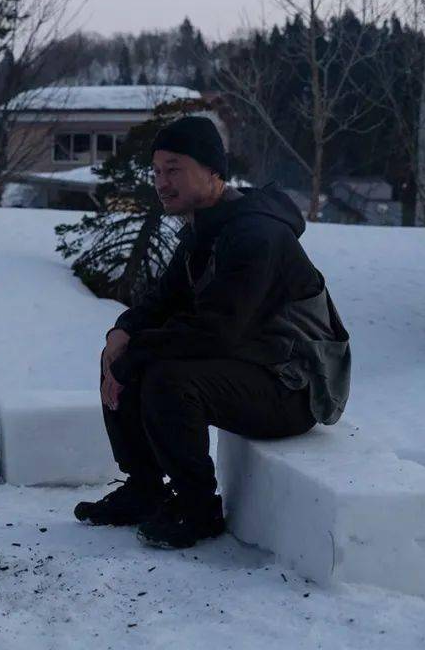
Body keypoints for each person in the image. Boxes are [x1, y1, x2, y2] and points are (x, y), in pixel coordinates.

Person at [73, 115, 351, 550]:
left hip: (297, 385)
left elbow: (216, 332)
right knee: (124, 354)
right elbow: (161, 302)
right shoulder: (205, 229)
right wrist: (121, 333)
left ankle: (198, 508)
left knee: (166, 377)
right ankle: (144, 488)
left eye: (174, 169)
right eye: (157, 172)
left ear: (213, 171)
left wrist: (136, 354)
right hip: (252, 362)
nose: (162, 183)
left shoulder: (257, 235)